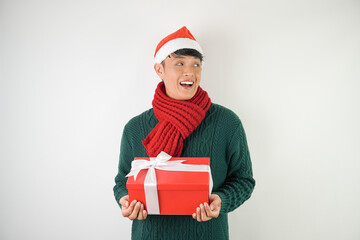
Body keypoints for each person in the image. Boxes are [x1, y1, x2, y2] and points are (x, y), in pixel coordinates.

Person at [113, 26, 255, 240]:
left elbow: (244, 180)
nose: (190, 72)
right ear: (159, 70)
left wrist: (221, 199)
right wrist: (125, 199)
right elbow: (122, 182)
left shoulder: (227, 123)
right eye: (179, 63)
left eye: (196, 65)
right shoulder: (135, 128)